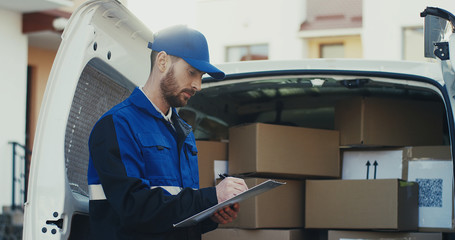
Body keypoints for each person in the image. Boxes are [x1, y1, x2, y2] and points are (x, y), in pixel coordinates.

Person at [86, 25, 248, 240]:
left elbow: (179, 212)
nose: (198, 85)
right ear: (162, 61)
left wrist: (212, 214)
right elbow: (134, 207)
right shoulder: (117, 124)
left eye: (201, 76)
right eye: (192, 72)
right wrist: (210, 197)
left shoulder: (183, 131)